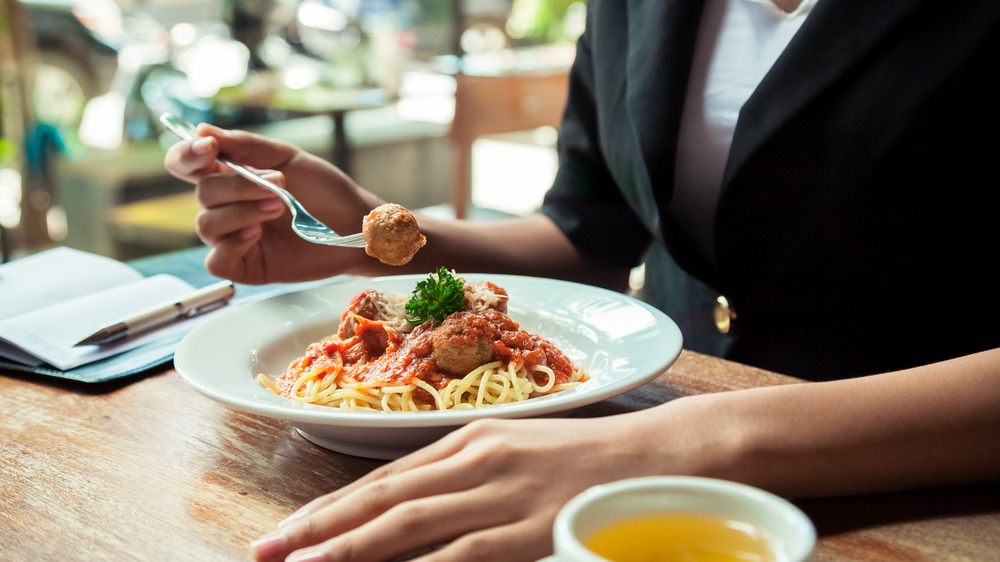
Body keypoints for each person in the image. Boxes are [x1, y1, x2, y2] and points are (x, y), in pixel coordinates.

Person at [164, 0, 1000, 560]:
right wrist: (369, 240)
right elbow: (587, 233)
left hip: (922, 500)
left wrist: (686, 442)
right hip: (608, 441)